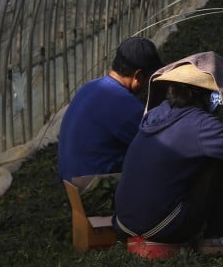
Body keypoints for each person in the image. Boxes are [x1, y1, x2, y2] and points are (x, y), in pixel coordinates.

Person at [113, 52, 223, 255]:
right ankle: (215, 238)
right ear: (193, 95)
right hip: (161, 226)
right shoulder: (201, 125)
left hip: (122, 221)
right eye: (211, 95)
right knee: (221, 159)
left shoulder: (154, 115)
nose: (215, 100)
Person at [57, 36, 163, 181]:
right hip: (95, 193)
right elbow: (155, 150)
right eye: (148, 79)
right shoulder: (127, 106)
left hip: (71, 186)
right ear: (138, 75)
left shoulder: (88, 87)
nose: (147, 86)